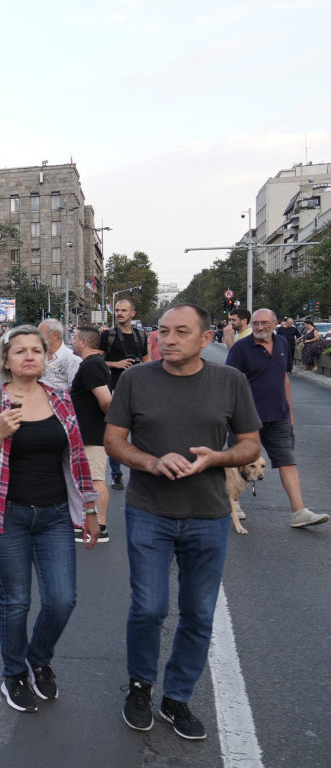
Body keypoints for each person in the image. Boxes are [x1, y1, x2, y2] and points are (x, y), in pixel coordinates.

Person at [106, 304, 262, 741]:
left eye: (181, 331)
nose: (168, 339)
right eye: (163, 331)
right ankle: (140, 688)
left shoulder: (230, 381)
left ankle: (176, 697)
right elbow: (113, 442)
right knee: (149, 607)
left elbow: (251, 445)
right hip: (149, 509)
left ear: (206, 338)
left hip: (208, 514)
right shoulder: (136, 380)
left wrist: (218, 457)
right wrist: (152, 462)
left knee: (198, 612)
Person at [0, 324, 99, 713]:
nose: (28, 356)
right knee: (16, 601)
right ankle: (14, 674)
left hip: (55, 517)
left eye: (36, 351)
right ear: (6, 360)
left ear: (45, 358)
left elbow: (77, 459)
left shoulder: (61, 400)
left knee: (62, 600)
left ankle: (38, 658)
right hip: (6, 517)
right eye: (19, 351)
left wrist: (90, 511)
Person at [224, 309, 327, 528]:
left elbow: (284, 379)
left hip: (278, 416)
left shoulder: (281, 343)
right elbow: (229, 382)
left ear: (275, 323)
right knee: (238, 461)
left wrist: (289, 412)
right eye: (255, 323)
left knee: (287, 461)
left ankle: (299, 512)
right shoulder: (241, 348)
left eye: (264, 323)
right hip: (246, 417)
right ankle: (234, 503)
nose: (259, 327)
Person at [69, 326, 113, 542]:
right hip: (88, 431)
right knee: (88, 479)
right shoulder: (93, 364)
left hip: (92, 432)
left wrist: (112, 425)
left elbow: (106, 401)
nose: (72, 341)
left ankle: (100, 526)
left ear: (84, 342)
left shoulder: (91, 365)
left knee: (95, 479)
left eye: (74, 338)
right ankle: (86, 522)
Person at [100, 299, 149, 490]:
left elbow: (146, 361)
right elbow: (96, 361)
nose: (119, 313)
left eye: (124, 310)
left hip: (137, 391)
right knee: (116, 435)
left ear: (132, 314)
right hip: (114, 390)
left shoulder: (141, 335)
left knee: (142, 433)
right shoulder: (108, 335)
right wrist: (116, 364)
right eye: (117, 310)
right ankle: (116, 475)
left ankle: (142, 471)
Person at [39, 319, 80, 393]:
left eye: (40, 335)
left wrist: (55, 397)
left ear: (55, 336)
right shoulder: (37, 355)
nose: (37, 338)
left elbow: (74, 388)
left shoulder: (73, 359)